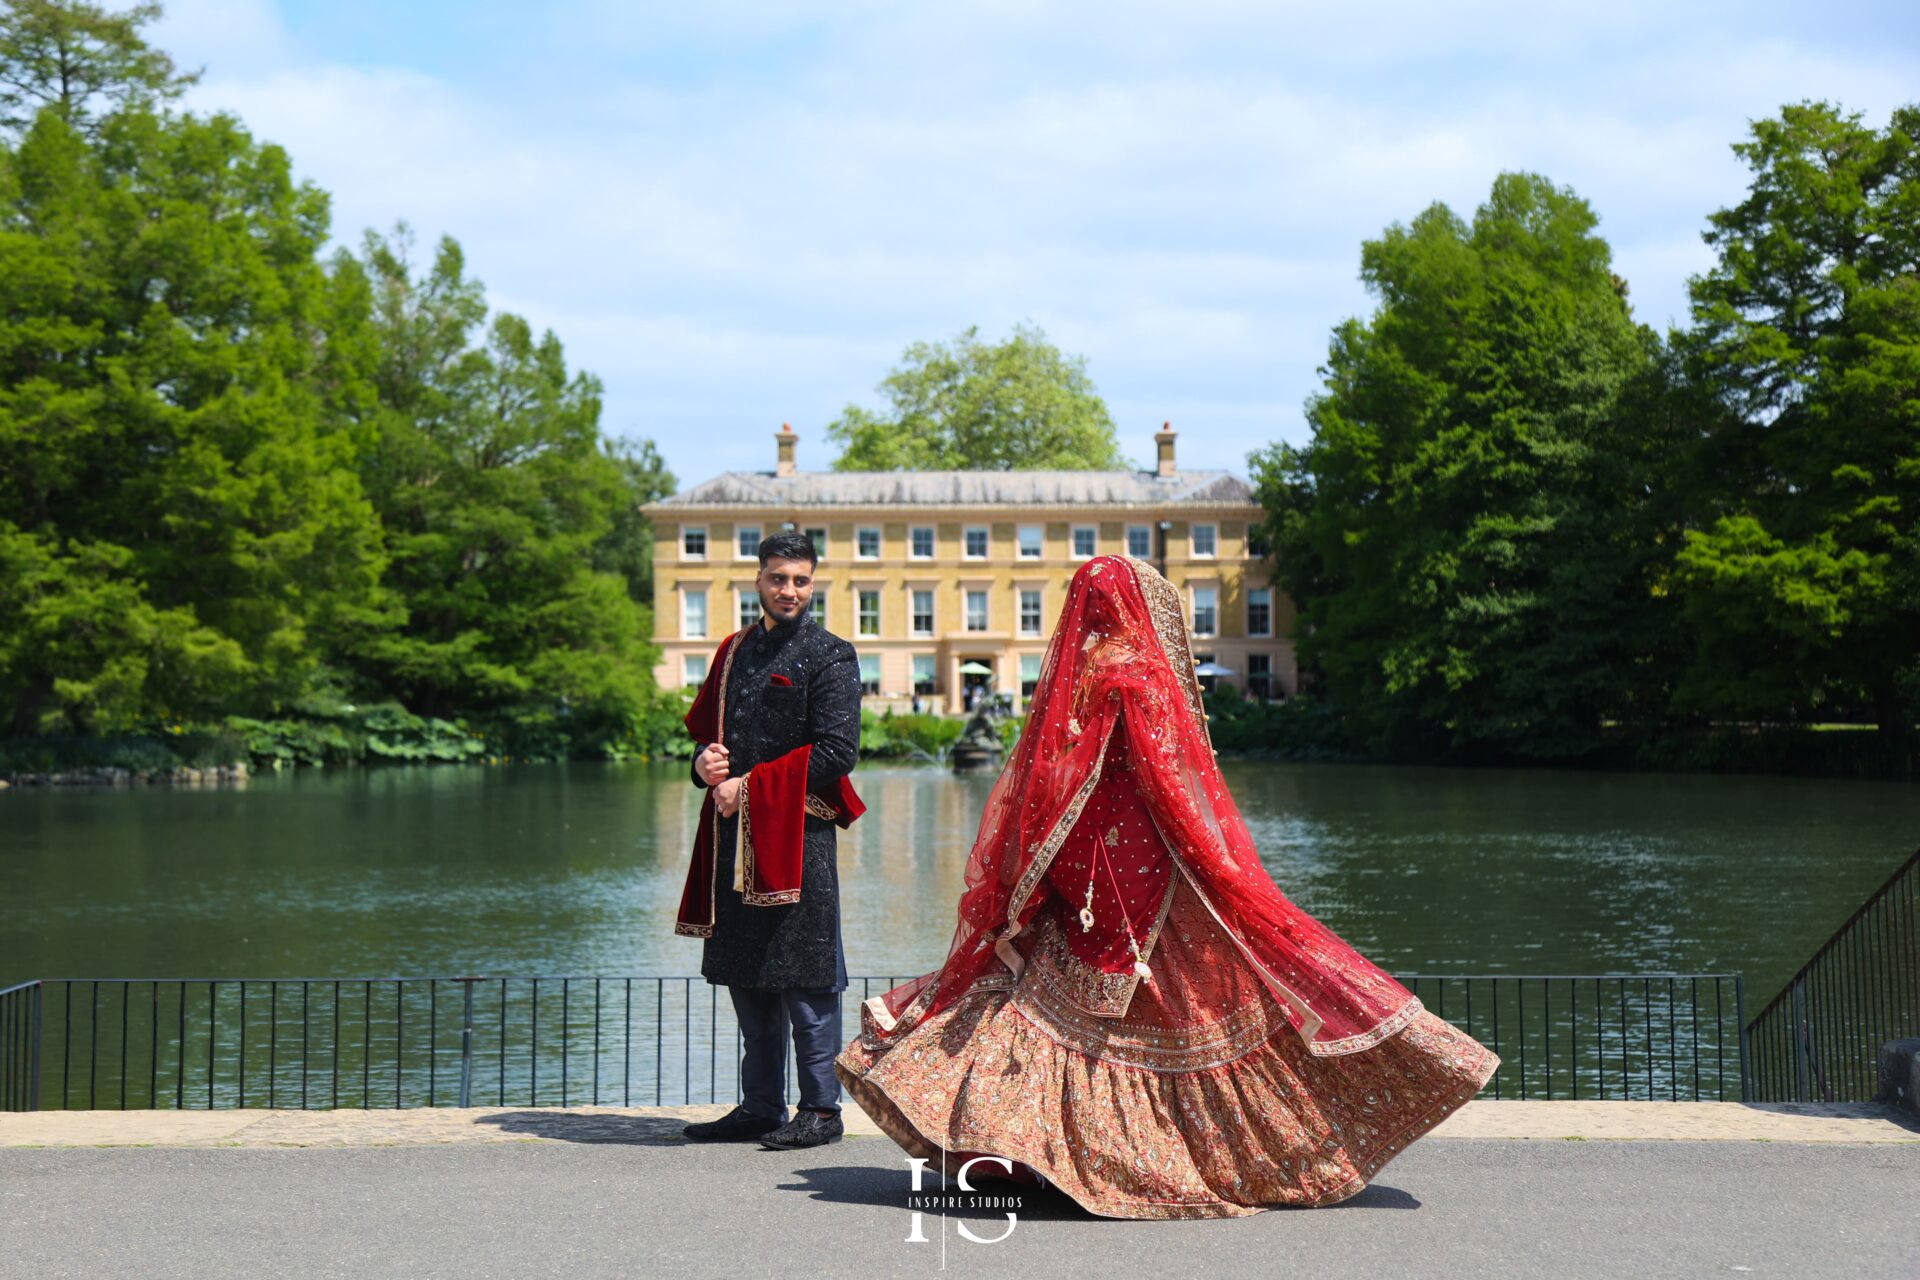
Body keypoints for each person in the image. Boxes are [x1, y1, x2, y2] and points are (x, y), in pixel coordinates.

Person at [837, 555, 1498, 1217]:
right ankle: (1210, 1155)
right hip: (1150, 874)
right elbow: (1166, 783)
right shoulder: (1138, 672)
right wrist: (1218, 860)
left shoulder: (1083, 670)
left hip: (1087, 874)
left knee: (1048, 1004)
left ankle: (1029, 1145)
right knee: (1211, 997)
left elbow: (1052, 782)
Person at [677, 531, 865, 1150]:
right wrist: (704, 763)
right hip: (734, 835)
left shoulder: (831, 654)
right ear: (757, 580)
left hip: (799, 834)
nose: (789, 590)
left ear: (814, 584)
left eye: (801, 580)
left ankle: (820, 1111)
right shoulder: (732, 652)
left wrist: (750, 786)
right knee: (747, 971)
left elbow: (839, 754)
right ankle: (760, 1106)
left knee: (806, 974)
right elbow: (708, 738)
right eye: (778, 578)